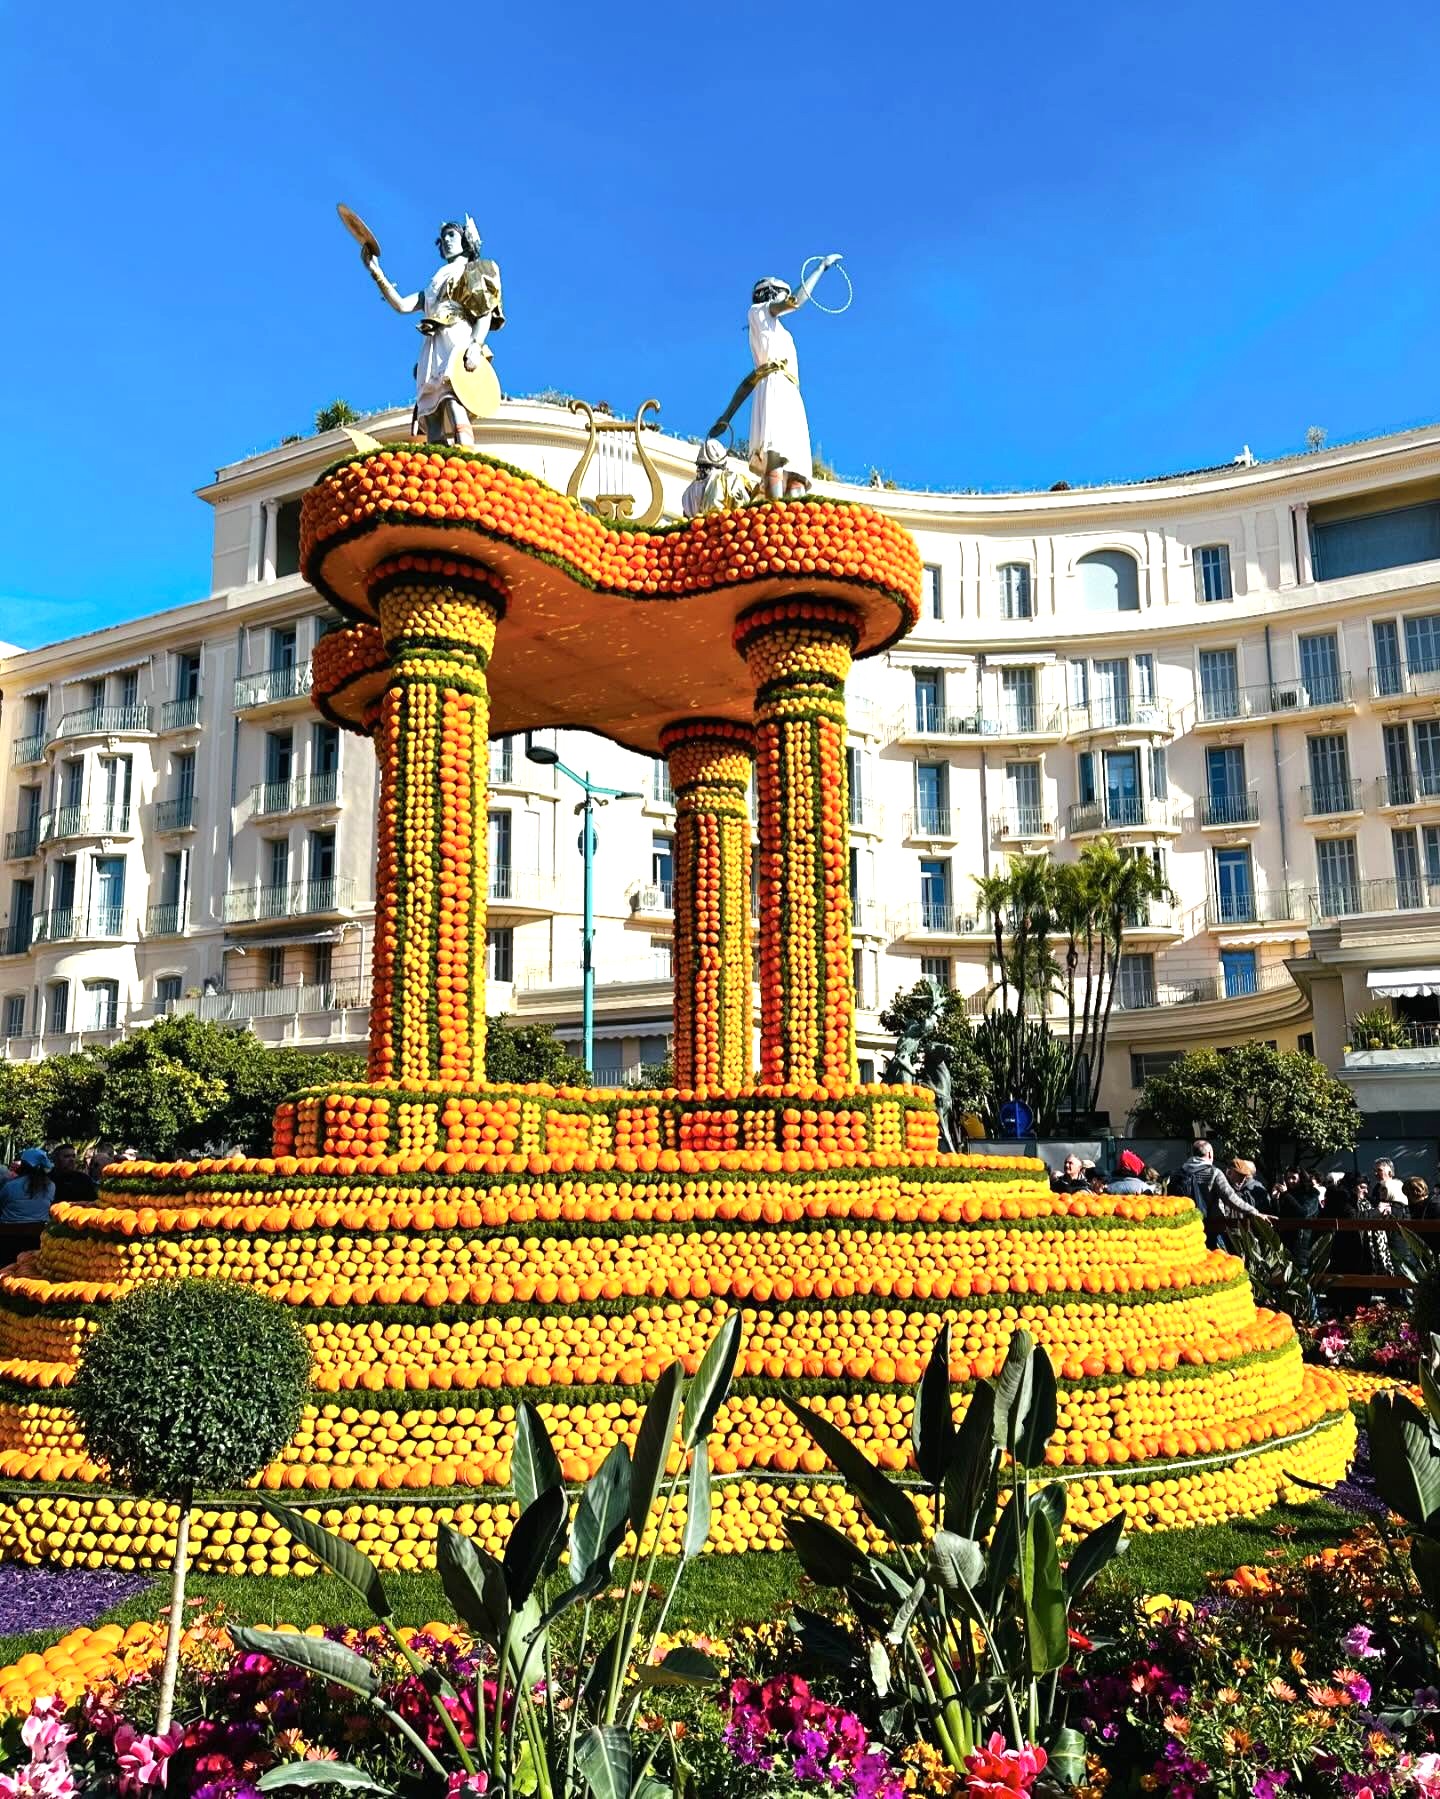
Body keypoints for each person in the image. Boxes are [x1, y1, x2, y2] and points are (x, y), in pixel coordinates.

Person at [710, 256, 846, 501]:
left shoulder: (781, 332)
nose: (784, 299)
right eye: (780, 294)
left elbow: (747, 382)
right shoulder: (758, 313)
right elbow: (796, 301)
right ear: (770, 295)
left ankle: (792, 517)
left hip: (789, 390)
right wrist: (821, 268)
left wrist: (726, 416)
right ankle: (774, 511)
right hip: (774, 388)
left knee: (796, 469)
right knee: (776, 454)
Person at [363, 217, 504, 446]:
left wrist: (476, 345)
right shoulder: (434, 284)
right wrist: (376, 272)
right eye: (443, 237)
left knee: (453, 397)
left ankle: (466, 454)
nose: (446, 241)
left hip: (457, 336)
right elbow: (401, 305)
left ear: (466, 240)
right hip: (432, 344)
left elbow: (484, 312)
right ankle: (439, 463)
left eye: (452, 235)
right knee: (432, 411)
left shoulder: (472, 269)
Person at [1173, 1138, 1235, 1248]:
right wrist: (1254, 1212)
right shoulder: (1213, 1172)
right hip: (1213, 1226)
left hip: (1189, 1225)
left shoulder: (1181, 1171)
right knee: (1217, 1259)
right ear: (1210, 1154)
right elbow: (1230, 1197)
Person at [681, 438, 749, 518]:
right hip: (725, 527)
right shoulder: (729, 478)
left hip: (698, 529)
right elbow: (745, 508)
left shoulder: (688, 492)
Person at [0, 1150, 55, 1226]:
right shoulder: (51, 1186)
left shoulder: (10, 1185)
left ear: (23, 1165)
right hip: (39, 1232)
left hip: (8, 1232)